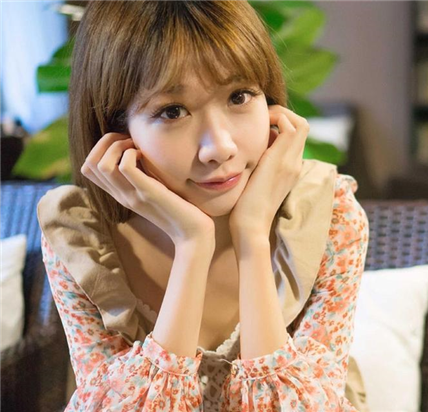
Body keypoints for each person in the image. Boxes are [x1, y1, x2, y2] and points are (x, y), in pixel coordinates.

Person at [36, 0, 370, 410]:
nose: (220, 147)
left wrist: (252, 238)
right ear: (116, 129)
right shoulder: (82, 237)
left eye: (239, 96)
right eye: (172, 111)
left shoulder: (327, 216)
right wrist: (192, 244)